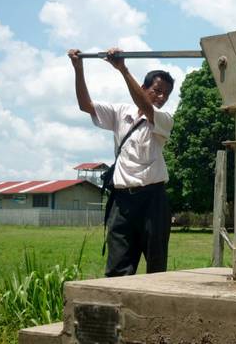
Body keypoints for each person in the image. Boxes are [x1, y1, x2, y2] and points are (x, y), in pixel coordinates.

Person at [68, 47, 175, 277]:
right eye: (157, 90)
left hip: (153, 200)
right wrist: (79, 68)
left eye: (166, 94)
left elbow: (146, 108)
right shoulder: (121, 113)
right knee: (117, 268)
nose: (162, 97)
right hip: (122, 201)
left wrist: (123, 68)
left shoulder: (164, 119)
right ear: (143, 88)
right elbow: (85, 105)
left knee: (157, 268)